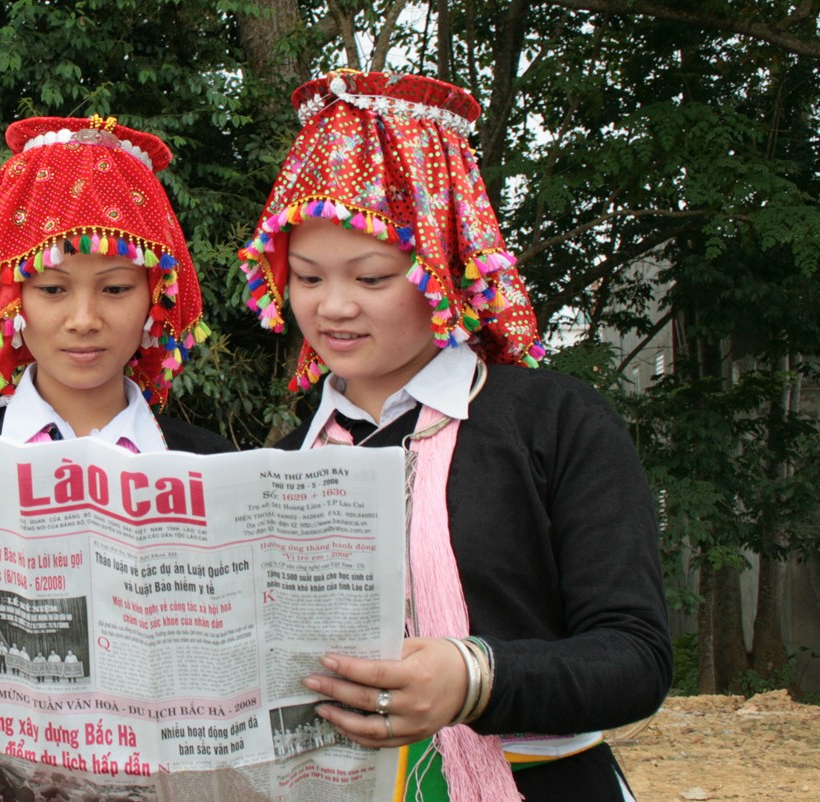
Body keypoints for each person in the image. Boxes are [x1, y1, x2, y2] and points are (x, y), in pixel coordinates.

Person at [237, 70, 672, 801]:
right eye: (307, 278)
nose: (332, 307)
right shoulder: (282, 463)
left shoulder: (554, 422)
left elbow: (635, 655)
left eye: (372, 277)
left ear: (441, 268)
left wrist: (474, 679)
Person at [0, 114, 235, 801]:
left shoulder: (208, 464)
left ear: (156, 299)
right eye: (53, 288)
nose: (84, 318)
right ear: (12, 298)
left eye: (116, 287)